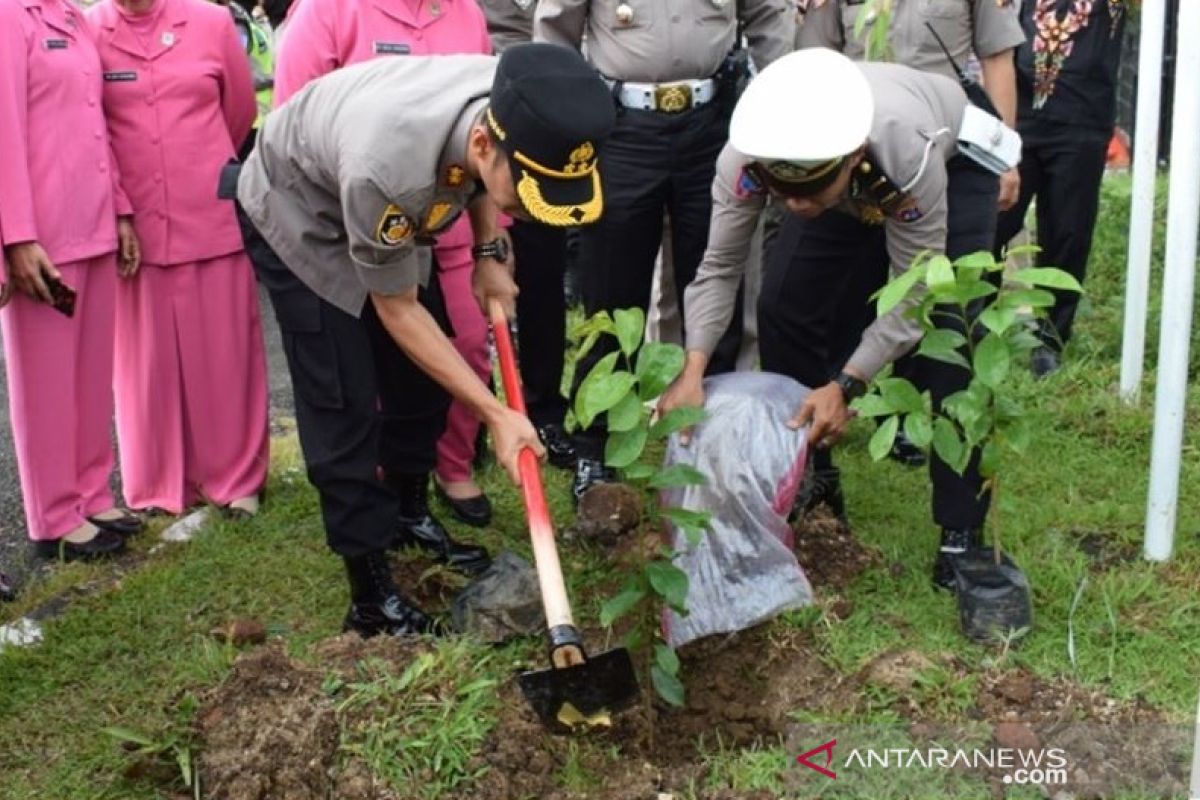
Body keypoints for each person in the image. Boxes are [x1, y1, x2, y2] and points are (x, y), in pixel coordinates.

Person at [237, 44, 615, 637]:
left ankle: (408, 514)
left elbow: (484, 181)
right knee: (344, 399)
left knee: (423, 384)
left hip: (393, 202)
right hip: (300, 209)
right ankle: (370, 597)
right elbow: (396, 309)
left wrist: (489, 252)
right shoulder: (386, 168)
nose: (531, 211)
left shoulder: (515, 104)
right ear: (487, 147)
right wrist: (495, 413)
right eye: (528, 194)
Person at [660, 48, 1007, 591]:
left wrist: (847, 383)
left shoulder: (904, 150)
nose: (795, 208)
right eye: (784, 193)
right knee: (784, 306)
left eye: (807, 192)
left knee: (951, 335)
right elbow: (720, 266)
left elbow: (915, 292)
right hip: (845, 181)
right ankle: (814, 476)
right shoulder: (750, 159)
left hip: (950, 161)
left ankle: (960, 532)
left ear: (851, 158)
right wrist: (692, 368)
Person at [533, 0, 796, 503]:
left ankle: (713, 442)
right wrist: (566, 119)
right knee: (611, 297)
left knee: (718, 274)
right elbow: (554, 33)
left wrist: (773, 98)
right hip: (621, 128)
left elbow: (767, 15)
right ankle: (597, 446)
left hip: (713, 124)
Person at [268, 0, 501, 541]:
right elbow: (289, 125)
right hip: (332, 225)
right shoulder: (325, 13)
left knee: (436, 369)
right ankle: (369, 561)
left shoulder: (465, 12)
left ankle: (418, 499)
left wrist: (490, 249)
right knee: (348, 387)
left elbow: (487, 137)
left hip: (428, 221)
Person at [796, 0, 1024, 467]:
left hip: (948, 147)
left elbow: (997, 57)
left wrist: (1005, 153)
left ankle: (920, 432)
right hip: (853, 150)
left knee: (946, 303)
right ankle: (833, 417)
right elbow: (813, 57)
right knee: (836, 296)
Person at [88, 0, 270, 520]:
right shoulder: (91, 28)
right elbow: (90, 122)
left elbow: (238, 113)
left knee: (225, 352)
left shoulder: (211, 23)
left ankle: (238, 480)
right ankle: (157, 484)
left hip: (207, 209)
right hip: (130, 222)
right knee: (145, 363)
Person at [1, 0, 143, 562]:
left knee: (89, 373)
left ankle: (90, 492)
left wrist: (122, 208)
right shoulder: (11, 15)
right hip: (45, 239)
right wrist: (15, 236)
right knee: (46, 384)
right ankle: (54, 515)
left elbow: (95, 122)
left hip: (94, 222)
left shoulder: (72, 18)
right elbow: (4, 130)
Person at [994, 0, 1128, 377]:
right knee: (993, 223)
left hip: (1083, 119)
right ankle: (976, 325)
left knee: (1068, 232)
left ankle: (1050, 339)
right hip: (1017, 115)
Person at [478, 0, 579, 472]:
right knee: (470, 281)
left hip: (544, 146)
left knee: (543, 280)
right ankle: (477, 415)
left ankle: (543, 408)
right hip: (479, 143)